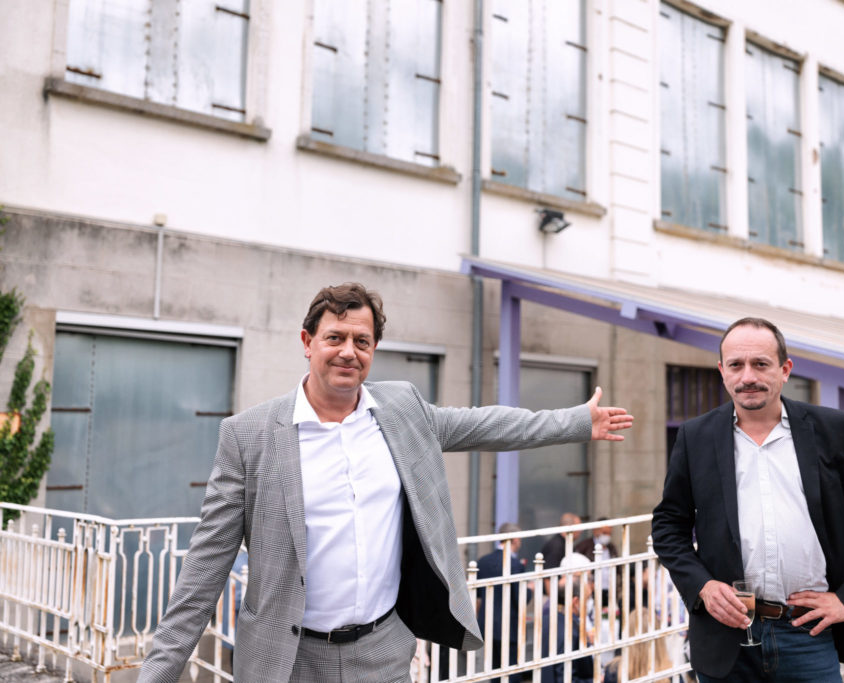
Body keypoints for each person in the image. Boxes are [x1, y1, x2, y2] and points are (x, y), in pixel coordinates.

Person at [139, 283, 633, 683]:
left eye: (362, 341)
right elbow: (203, 572)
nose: (348, 352)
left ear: (373, 349)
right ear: (307, 342)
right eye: (335, 338)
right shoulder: (248, 436)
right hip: (287, 661)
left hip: (383, 654)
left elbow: (485, 424)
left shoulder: (402, 409)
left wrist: (575, 422)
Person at [651, 317, 844, 682]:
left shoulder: (837, 430)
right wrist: (702, 587)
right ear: (722, 371)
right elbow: (668, 525)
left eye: (760, 364)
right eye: (736, 365)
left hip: (808, 634)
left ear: (785, 369)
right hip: (728, 636)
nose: (747, 377)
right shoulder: (696, 437)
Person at [475, 522, 530, 683]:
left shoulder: (483, 561)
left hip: (487, 624)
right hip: (509, 626)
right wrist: (531, 590)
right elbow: (520, 599)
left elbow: (478, 596)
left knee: (494, 671)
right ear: (515, 539)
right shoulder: (515, 564)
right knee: (511, 671)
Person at [540, 554, 595, 683]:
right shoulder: (569, 630)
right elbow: (565, 677)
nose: (588, 603)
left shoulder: (552, 619)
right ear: (575, 601)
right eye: (586, 599)